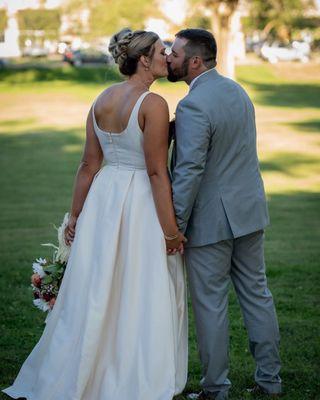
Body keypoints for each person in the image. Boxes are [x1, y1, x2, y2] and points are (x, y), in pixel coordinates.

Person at [3, 28, 188, 400]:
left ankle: (84, 365)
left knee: (98, 284)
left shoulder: (101, 99)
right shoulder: (153, 104)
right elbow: (156, 172)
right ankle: (129, 372)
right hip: (137, 201)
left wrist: (75, 217)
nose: (166, 54)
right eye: (159, 50)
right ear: (144, 60)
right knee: (137, 283)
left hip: (103, 199)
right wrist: (170, 231)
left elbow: (88, 165)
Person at [167, 28, 282, 400]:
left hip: (211, 222)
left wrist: (176, 225)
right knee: (257, 294)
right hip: (249, 212)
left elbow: (189, 170)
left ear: (195, 61)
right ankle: (270, 380)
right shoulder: (237, 91)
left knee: (210, 304)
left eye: (175, 52)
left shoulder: (192, 105)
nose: (169, 57)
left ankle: (216, 388)